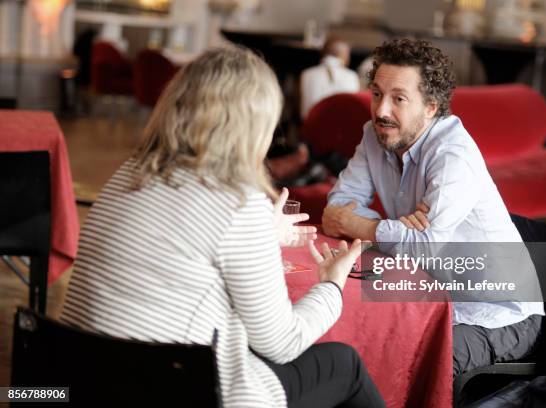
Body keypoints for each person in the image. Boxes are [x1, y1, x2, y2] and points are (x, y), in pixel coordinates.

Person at [60, 46, 384, 408]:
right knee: (345, 366)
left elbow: (185, 249)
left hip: (83, 383)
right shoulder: (237, 203)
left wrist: (263, 233)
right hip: (173, 391)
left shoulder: (129, 174)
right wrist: (332, 285)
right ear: (254, 125)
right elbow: (282, 343)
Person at [321, 38, 545, 376]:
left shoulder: (452, 155)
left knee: (413, 361)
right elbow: (337, 206)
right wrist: (398, 232)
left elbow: (421, 248)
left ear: (431, 107)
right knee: (352, 334)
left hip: (499, 314)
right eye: (377, 94)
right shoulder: (375, 135)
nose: (382, 110)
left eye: (399, 99)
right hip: (429, 294)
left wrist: (362, 227)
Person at [300, 37, 360, 119]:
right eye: (348, 54)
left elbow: (303, 112)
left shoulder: (306, 74)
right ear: (342, 54)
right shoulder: (352, 76)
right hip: (342, 128)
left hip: (311, 127)